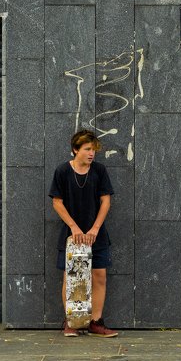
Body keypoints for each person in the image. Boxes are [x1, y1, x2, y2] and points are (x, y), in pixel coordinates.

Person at [49, 130, 118, 337]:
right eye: (87, 149)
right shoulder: (62, 171)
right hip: (72, 236)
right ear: (75, 150)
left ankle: (95, 322)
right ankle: (70, 322)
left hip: (96, 235)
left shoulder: (99, 171)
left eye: (93, 150)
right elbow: (57, 202)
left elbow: (106, 201)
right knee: (70, 277)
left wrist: (95, 228)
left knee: (99, 276)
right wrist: (74, 227)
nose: (91, 154)